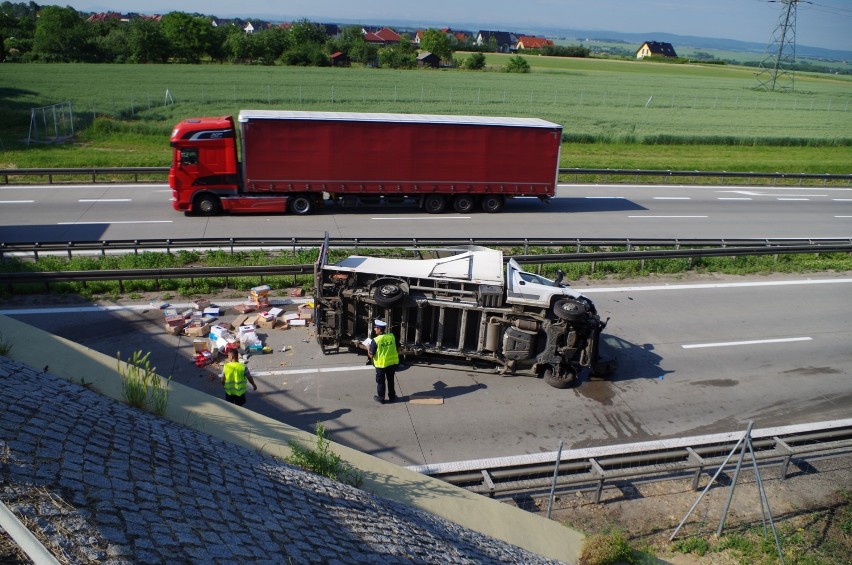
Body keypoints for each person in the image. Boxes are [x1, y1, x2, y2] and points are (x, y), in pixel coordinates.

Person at [368, 319, 399, 404]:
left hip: (380, 365)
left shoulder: (375, 340)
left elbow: (371, 355)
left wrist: (368, 347)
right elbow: (398, 348)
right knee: (391, 380)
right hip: (391, 363)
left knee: (381, 382)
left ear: (379, 329)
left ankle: (381, 398)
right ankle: (392, 396)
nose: (374, 329)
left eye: (375, 328)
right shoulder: (392, 336)